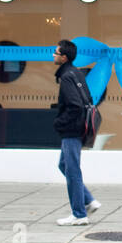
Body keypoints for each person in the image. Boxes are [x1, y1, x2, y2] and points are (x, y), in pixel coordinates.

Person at [52, 39, 101, 225]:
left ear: (64, 57)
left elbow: (75, 105)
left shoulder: (66, 77)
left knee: (72, 170)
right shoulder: (76, 73)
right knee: (64, 165)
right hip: (80, 127)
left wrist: (59, 122)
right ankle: (89, 200)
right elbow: (88, 99)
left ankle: (79, 214)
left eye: (56, 53)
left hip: (72, 129)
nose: (53, 55)